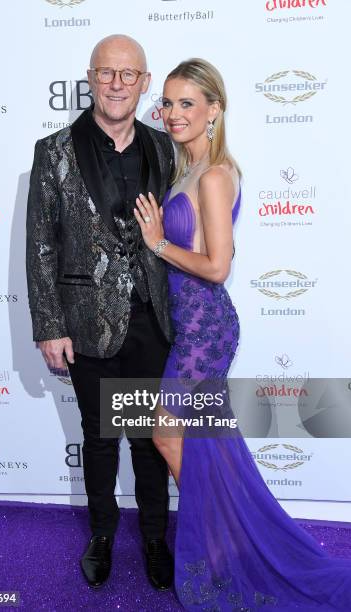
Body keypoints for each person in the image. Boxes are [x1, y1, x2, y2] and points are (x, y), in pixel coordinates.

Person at [134, 58, 351, 610]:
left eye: (188, 103)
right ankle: (231, 545)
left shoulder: (211, 174)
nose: (174, 113)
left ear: (214, 111)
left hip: (205, 326)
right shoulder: (189, 167)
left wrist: (158, 243)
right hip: (191, 322)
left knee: (166, 434)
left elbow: (217, 266)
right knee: (207, 446)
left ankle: (227, 547)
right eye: (169, 102)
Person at [26, 34, 175, 591]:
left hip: (151, 319)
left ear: (144, 80)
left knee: (148, 440)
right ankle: (103, 535)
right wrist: (49, 325)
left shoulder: (164, 147)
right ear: (90, 78)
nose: (117, 83)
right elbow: (41, 243)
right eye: (107, 73)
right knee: (99, 438)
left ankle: (156, 538)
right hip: (85, 321)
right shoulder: (54, 150)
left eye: (128, 74)